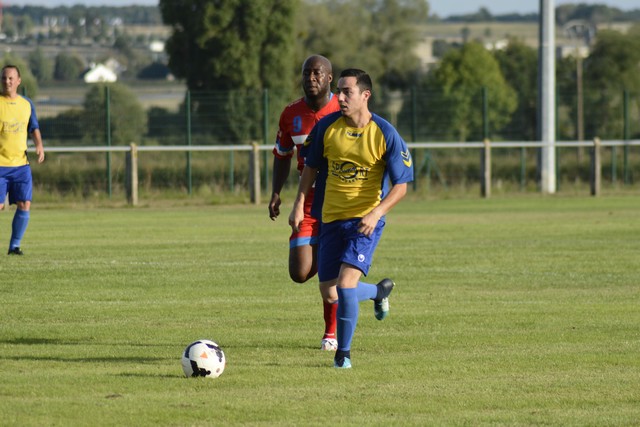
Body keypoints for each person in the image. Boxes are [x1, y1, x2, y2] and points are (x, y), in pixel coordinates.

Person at [289, 68, 414, 368]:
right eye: (339, 91)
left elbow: (401, 186)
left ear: (365, 95)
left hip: (364, 223)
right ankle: (378, 292)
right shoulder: (327, 128)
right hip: (331, 219)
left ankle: (342, 355)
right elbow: (310, 168)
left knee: (345, 286)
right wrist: (299, 204)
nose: (340, 98)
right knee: (331, 292)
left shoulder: (384, 132)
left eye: (347, 92)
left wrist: (376, 213)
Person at [268, 55, 340, 351]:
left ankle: (331, 334)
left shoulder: (343, 110)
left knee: (330, 273)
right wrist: (276, 192)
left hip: (339, 198)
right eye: (306, 73)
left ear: (329, 78)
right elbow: (282, 155)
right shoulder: (291, 113)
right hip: (307, 200)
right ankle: (331, 261)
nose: (311, 78)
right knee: (299, 273)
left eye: (317, 73)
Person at [0, 64, 45, 255]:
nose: (7, 81)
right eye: (4, 78)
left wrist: (39, 145)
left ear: (18, 81)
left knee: (25, 203)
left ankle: (14, 246)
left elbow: (33, 127)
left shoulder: (26, 104)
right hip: (0, 165)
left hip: (21, 165)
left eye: (11, 78)